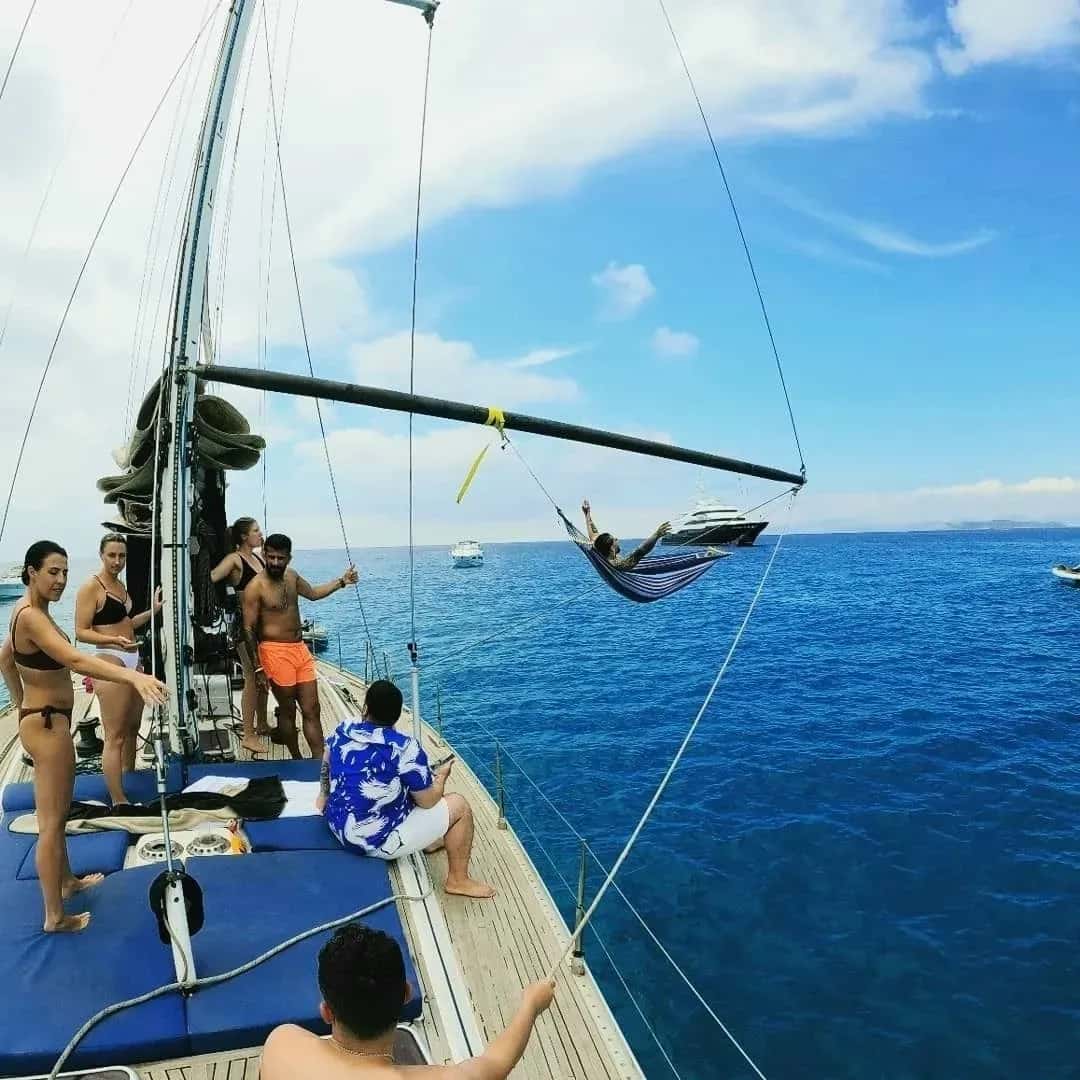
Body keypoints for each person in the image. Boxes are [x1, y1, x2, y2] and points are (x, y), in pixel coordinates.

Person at [0, 541, 167, 933]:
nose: (60, 580)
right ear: (31, 572)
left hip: (41, 719)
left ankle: (67, 880)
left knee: (57, 814)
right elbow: (75, 659)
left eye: (64, 572)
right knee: (53, 823)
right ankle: (54, 916)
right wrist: (133, 676)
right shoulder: (32, 617)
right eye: (52, 572)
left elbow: (6, 658)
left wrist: (19, 701)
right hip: (47, 725)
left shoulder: (27, 613)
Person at [260, 923, 555, 1078]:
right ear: (406, 994)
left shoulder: (281, 1043)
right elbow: (496, 1063)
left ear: (326, 1012)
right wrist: (530, 1005)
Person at [318, 680, 495, 899]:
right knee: (460, 806)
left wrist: (323, 795)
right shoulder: (404, 747)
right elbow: (428, 802)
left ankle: (430, 842)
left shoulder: (343, 729)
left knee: (399, 790)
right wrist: (440, 778)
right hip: (371, 843)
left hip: (337, 826)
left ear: (365, 708)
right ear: (397, 715)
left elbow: (326, 759)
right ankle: (458, 880)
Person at [242, 533, 358, 760]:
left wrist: (342, 581)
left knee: (312, 709)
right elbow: (247, 630)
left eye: (281, 558)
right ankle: (296, 758)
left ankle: (318, 761)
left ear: (289, 558)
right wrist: (258, 669)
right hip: (274, 652)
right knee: (288, 711)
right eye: (271, 557)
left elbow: (313, 594)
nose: (275, 562)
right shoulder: (255, 587)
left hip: (300, 649)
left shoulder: (292, 577)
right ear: (264, 554)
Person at [74, 533, 163, 806]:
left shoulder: (121, 586)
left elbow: (127, 622)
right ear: (101, 555)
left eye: (122, 556)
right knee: (114, 735)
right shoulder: (92, 586)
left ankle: (129, 775)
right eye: (112, 555)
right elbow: (81, 632)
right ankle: (118, 799)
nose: (117, 561)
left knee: (133, 726)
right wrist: (111, 640)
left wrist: (154, 611)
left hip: (132, 659)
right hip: (110, 660)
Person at [210, 516, 271, 754]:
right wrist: (231, 599)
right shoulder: (234, 559)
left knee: (264, 675)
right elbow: (212, 577)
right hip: (244, 627)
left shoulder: (256, 557)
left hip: (263, 624)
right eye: (256, 530)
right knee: (251, 677)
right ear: (244, 536)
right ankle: (248, 734)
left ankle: (263, 723)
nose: (260, 533)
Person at [581, 498, 671, 570]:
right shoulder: (616, 564)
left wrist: (587, 513)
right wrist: (656, 535)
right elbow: (640, 551)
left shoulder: (599, 549)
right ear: (611, 548)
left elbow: (594, 535)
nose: (617, 539)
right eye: (614, 540)